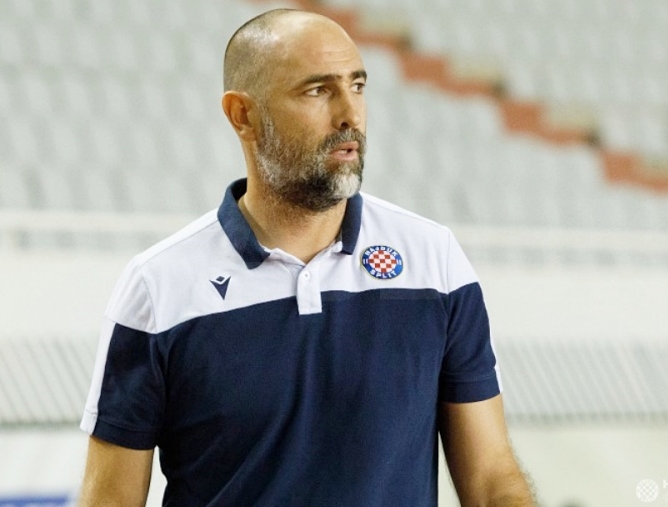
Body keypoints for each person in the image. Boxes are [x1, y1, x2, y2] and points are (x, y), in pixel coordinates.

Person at [77, 8, 535, 507]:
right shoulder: (157, 288)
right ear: (242, 115)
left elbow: (492, 482)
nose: (350, 114)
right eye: (318, 90)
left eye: (357, 86)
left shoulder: (434, 261)